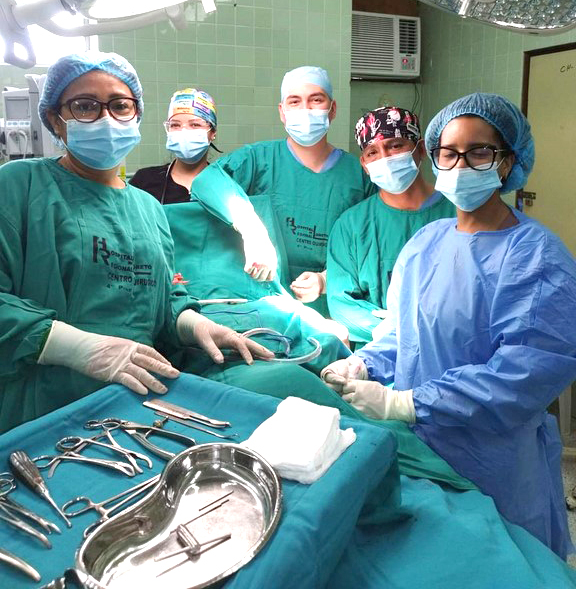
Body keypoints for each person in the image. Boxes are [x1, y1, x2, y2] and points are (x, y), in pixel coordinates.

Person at [321, 92, 576, 559]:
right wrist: (363, 365)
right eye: (449, 152)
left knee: (497, 567)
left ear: (507, 162)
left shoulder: (536, 256)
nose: (460, 164)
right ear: (434, 158)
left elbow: (523, 375)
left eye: (479, 152)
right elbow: (403, 333)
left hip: (494, 463)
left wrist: (405, 402)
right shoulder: (426, 243)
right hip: (422, 451)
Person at [0, 52, 272, 433]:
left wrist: (192, 323)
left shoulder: (148, 209)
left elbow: (161, 297)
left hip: (139, 404)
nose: (105, 118)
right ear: (55, 120)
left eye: (120, 105)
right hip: (46, 411)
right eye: (84, 106)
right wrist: (76, 348)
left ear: (136, 115)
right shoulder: (19, 186)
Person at [191, 66, 375, 314]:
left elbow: (373, 243)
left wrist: (327, 279)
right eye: (294, 101)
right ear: (282, 112)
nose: (305, 109)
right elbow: (206, 181)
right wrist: (250, 227)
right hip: (268, 304)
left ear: (332, 110)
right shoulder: (259, 159)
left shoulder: (359, 175)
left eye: (316, 100)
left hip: (333, 310)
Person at [326, 106, 454, 349]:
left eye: (395, 146)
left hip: (450, 348)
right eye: (372, 152)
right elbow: (341, 304)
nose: (385, 158)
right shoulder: (352, 225)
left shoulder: (457, 213)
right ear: (364, 164)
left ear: (421, 149)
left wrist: (429, 329)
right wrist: (391, 330)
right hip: (379, 354)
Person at [130, 87, 219, 204]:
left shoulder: (225, 184)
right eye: (175, 125)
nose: (184, 132)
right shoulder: (144, 181)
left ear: (212, 133)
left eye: (195, 125)